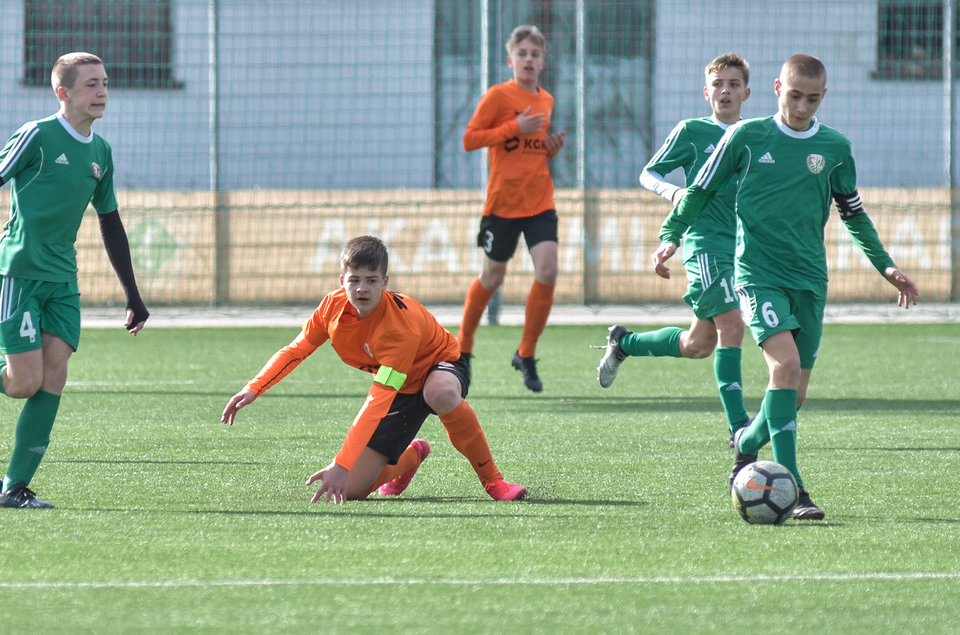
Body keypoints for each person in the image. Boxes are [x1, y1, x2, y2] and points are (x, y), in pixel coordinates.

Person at [651, 54, 919, 521]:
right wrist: (671, 236)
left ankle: (746, 446)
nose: (802, 106)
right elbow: (701, 190)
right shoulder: (747, 137)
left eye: (812, 99)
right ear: (777, 88)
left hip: (810, 280)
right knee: (786, 365)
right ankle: (795, 490)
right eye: (794, 95)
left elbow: (853, 213)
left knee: (792, 394)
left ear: (824, 97)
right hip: (758, 274)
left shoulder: (834, 147)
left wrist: (887, 267)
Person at [0, 52, 149, 509]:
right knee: (23, 383)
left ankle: (13, 487)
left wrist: (133, 296)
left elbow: (110, 223)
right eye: (90, 85)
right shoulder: (37, 136)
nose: (101, 92)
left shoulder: (100, 152)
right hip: (19, 273)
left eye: (104, 83)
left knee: (54, 377)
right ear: (63, 93)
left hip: (62, 280)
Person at [221, 235, 527, 504]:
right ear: (342, 281)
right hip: (400, 385)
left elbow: (378, 399)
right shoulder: (331, 308)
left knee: (440, 392)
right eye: (354, 279)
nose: (362, 288)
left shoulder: (398, 330)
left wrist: (341, 462)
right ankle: (411, 456)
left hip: (440, 364)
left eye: (371, 279)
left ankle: (494, 481)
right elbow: (296, 349)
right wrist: (254, 387)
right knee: (350, 490)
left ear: (385, 282)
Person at [596, 53, 752, 443]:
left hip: (742, 248)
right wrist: (676, 194)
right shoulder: (692, 131)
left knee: (698, 344)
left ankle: (624, 342)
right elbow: (649, 173)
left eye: (734, 84)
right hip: (704, 243)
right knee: (732, 326)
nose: (726, 91)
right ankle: (739, 427)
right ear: (706, 92)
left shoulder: (754, 136)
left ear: (747, 92)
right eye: (718, 84)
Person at [458, 25, 566, 393]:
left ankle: (527, 352)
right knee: (492, 278)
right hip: (502, 205)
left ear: (543, 61)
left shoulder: (546, 100)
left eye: (535, 54)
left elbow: (530, 149)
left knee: (548, 270)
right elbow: (470, 139)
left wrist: (548, 149)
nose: (529, 60)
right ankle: (463, 349)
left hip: (539, 201)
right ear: (510, 60)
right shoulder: (498, 96)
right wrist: (513, 126)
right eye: (522, 54)